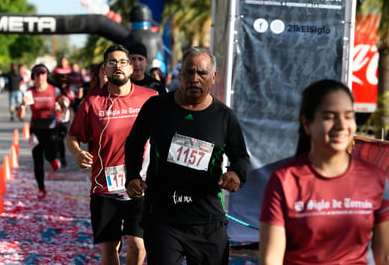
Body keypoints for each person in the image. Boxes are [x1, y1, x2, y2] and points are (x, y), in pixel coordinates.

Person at [124, 46, 251, 265]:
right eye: (189, 72)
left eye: (201, 73)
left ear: (213, 78)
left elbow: (240, 156)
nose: (195, 78)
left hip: (207, 221)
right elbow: (134, 142)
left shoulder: (224, 116)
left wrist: (236, 174)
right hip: (163, 218)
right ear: (180, 75)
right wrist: (133, 175)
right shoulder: (156, 107)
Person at [259, 79, 389, 264]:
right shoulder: (284, 181)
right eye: (329, 117)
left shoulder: (376, 180)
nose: (341, 125)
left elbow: (384, 256)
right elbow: (271, 260)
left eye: (348, 116)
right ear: (307, 124)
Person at [66, 44, 157, 265]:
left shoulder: (151, 98)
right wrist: (78, 153)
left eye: (123, 62)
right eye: (111, 62)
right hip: (105, 187)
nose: (118, 66)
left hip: (140, 185)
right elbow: (73, 136)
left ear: (131, 67)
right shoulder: (92, 101)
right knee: (110, 246)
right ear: (104, 70)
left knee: (138, 244)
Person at [17, 64, 61, 199]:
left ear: (47, 75)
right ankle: (41, 188)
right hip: (35, 130)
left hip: (51, 129)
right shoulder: (29, 92)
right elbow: (21, 116)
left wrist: (62, 107)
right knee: (37, 159)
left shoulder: (55, 91)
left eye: (43, 73)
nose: (40, 76)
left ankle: (53, 159)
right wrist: (23, 104)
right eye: (37, 74)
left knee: (49, 154)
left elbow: (63, 109)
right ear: (33, 77)